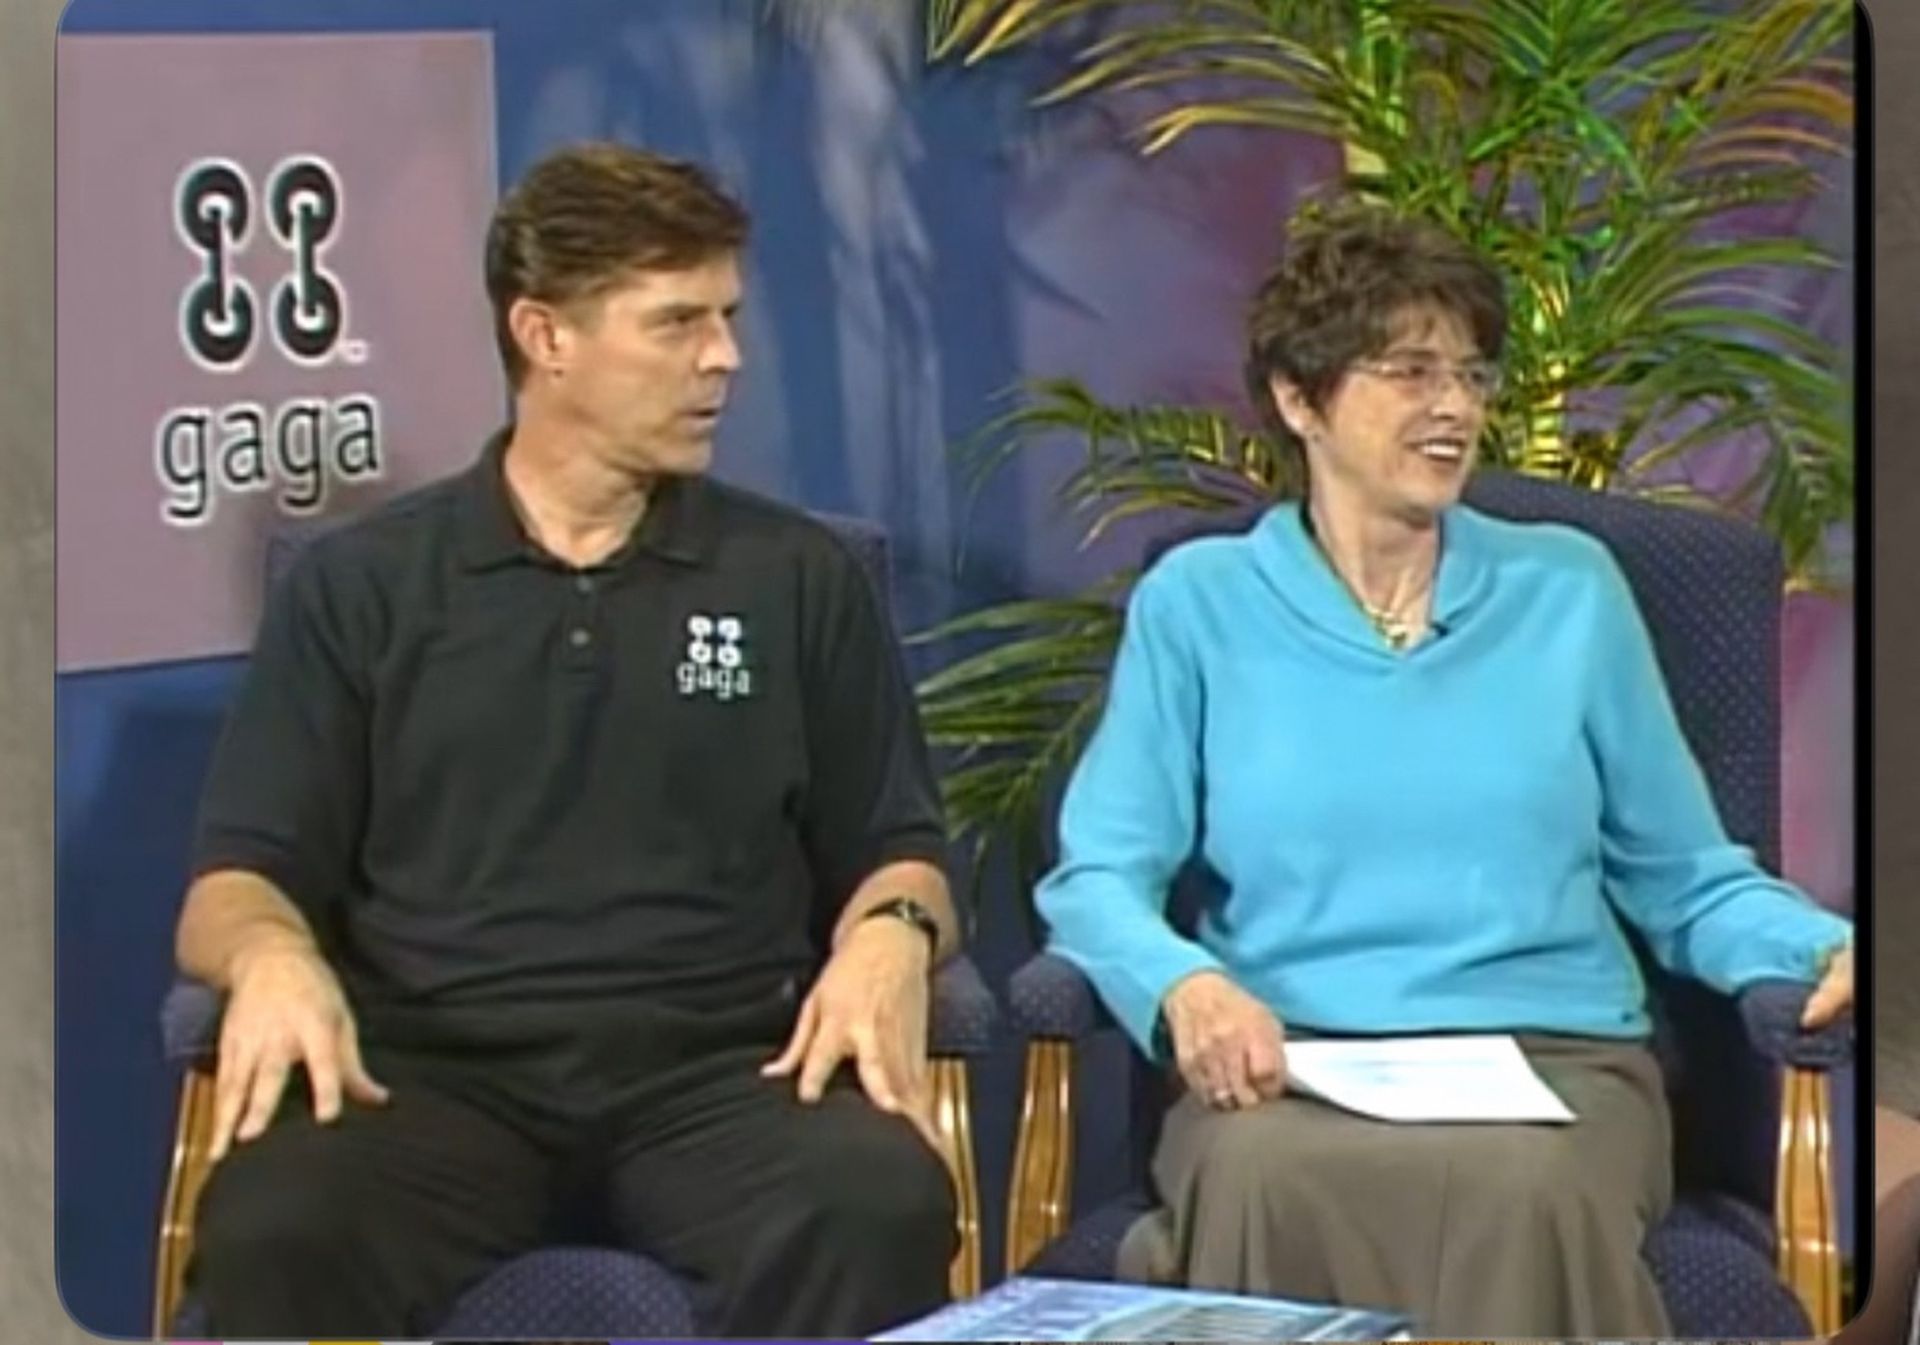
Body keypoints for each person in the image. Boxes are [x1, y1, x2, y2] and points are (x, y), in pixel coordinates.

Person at [175, 141, 963, 1339]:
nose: (725, 358)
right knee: (280, 1221)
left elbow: (901, 849)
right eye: (677, 322)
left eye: (728, 316)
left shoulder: (796, 577)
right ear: (546, 337)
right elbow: (236, 881)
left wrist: (895, 936)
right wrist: (272, 959)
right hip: (431, 1081)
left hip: (723, 1081)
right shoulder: (366, 587)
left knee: (874, 1199)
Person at [1032, 201, 1856, 1337]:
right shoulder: (1202, 605)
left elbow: (1686, 875)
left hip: (1552, 1067)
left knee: (1519, 1192)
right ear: (1298, 398)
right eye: (1410, 371)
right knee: (1262, 1174)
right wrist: (1185, 985)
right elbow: (1098, 878)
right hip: (1294, 1069)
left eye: (1471, 374)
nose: (1454, 407)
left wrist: (1820, 946)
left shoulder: (1571, 592)